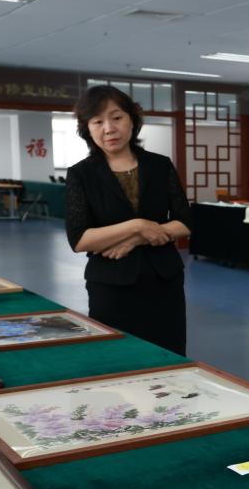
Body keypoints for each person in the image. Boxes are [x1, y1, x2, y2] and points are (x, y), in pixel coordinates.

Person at [65, 85, 192, 355]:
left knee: (167, 356)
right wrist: (138, 226)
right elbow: (80, 239)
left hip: (164, 281)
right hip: (110, 285)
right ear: (87, 129)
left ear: (132, 120)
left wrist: (135, 239)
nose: (109, 128)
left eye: (117, 117)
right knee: (117, 357)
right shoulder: (81, 174)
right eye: (98, 122)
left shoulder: (160, 165)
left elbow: (184, 221)